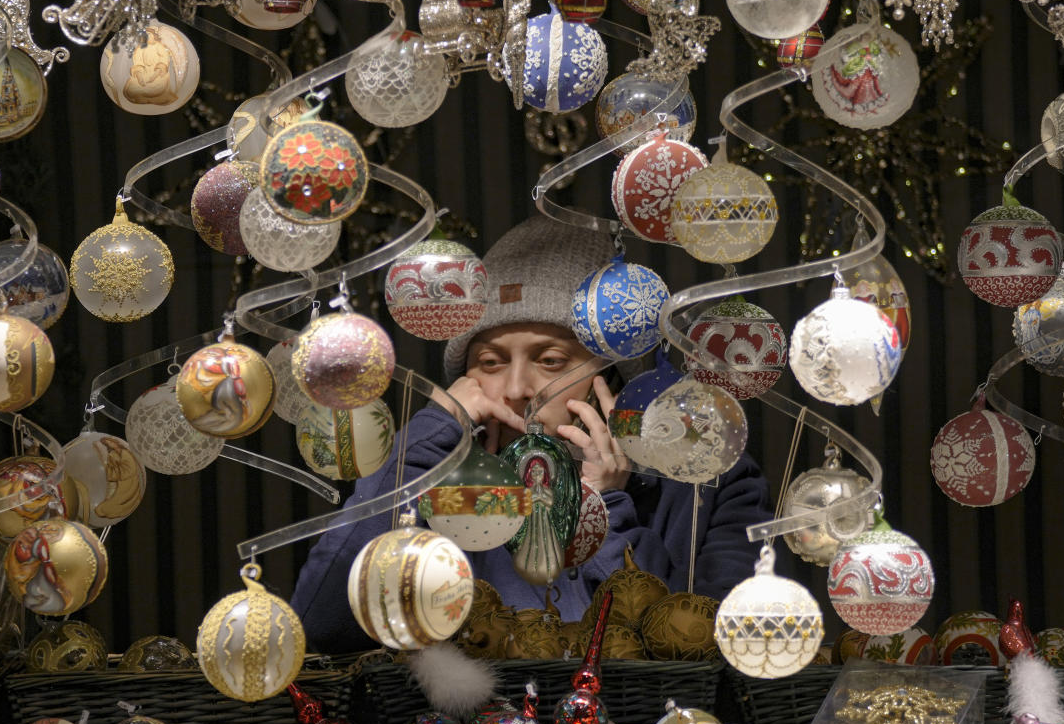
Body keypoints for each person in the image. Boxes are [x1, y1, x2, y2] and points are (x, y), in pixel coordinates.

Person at [291, 216, 771, 652]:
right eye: (491, 362)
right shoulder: (439, 484)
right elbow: (325, 624)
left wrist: (602, 511)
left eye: (551, 361)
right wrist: (428, 439)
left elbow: (701, 657)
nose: (518, 389)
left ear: (617, 381)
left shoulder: (710, 483)